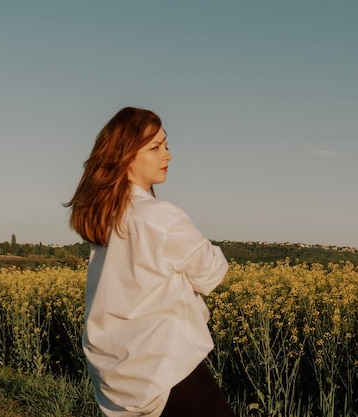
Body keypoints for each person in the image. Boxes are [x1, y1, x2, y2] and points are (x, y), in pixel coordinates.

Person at [65, 107, 235, 417]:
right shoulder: (159, 216)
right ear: (126, 155)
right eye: (155, 148)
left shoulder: (105, 216)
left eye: (166, 145)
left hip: (116, 372)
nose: (167, 156)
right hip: (164, 366)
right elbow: (212, 273)